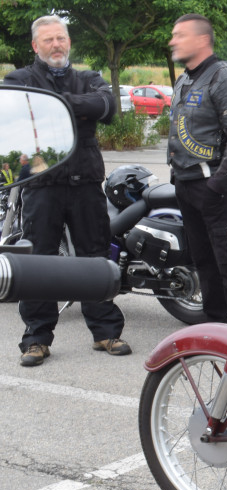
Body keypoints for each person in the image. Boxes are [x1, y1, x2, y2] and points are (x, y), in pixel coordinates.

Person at [4, 15, 131, 367]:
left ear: (69, 42)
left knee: (95, 255)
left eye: (61, 38)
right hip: (41, 184)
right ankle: (36, 339)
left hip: (86, 181)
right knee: (39, 260)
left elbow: (106, 108)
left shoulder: (89, 77)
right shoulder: (19, 79)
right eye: (49, 40)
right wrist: (78, 105)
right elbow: (22, 114)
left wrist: (55, 105)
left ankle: (106, 331)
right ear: (35, 46)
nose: (56, 45)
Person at [167, 13, 227, 324]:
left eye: (180, 35)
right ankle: (215, 330)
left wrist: (217, 185)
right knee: (203, 262)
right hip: (185, 187)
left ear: (202, 40)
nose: (173, 41)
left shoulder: (224, 78)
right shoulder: (183, 79)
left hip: (217, 191)